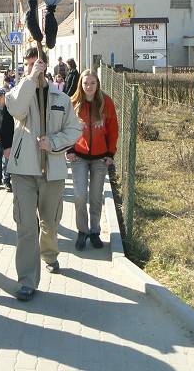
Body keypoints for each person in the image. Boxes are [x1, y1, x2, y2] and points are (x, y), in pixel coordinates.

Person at [5, 47, 82, 301]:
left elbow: (75, 130)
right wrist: (30, 79)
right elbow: (15, 108)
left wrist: (55, 142)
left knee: (49, 222)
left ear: (46, 66)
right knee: (26, 227)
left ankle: (49, 254)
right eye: (27, 65)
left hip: (53, 172)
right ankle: (27, 280)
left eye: (35, 64)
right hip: (23, 172)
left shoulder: (61, 98)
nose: (31, 68)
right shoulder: (18, 93)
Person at [66, 69, 118, 251]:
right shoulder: (73, 103)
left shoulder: (106, 102)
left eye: (92, 83)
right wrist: (70, 149)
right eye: (85, 83)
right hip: (79, 156)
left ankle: (95, 231)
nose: (89, 87)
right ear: (81, 84)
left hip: (100, 159)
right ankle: (82, 231)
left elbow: (113, 129)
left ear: (97, 85)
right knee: (80, 195)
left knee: (96, 197)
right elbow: (65, 128)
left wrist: (110, 152)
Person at [0, 88, 13, 192]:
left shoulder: (10, 109)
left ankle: (7, 180)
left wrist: (4, 136)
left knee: (7, 160)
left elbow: (10, 126)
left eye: (1, 95)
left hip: (7, 139)